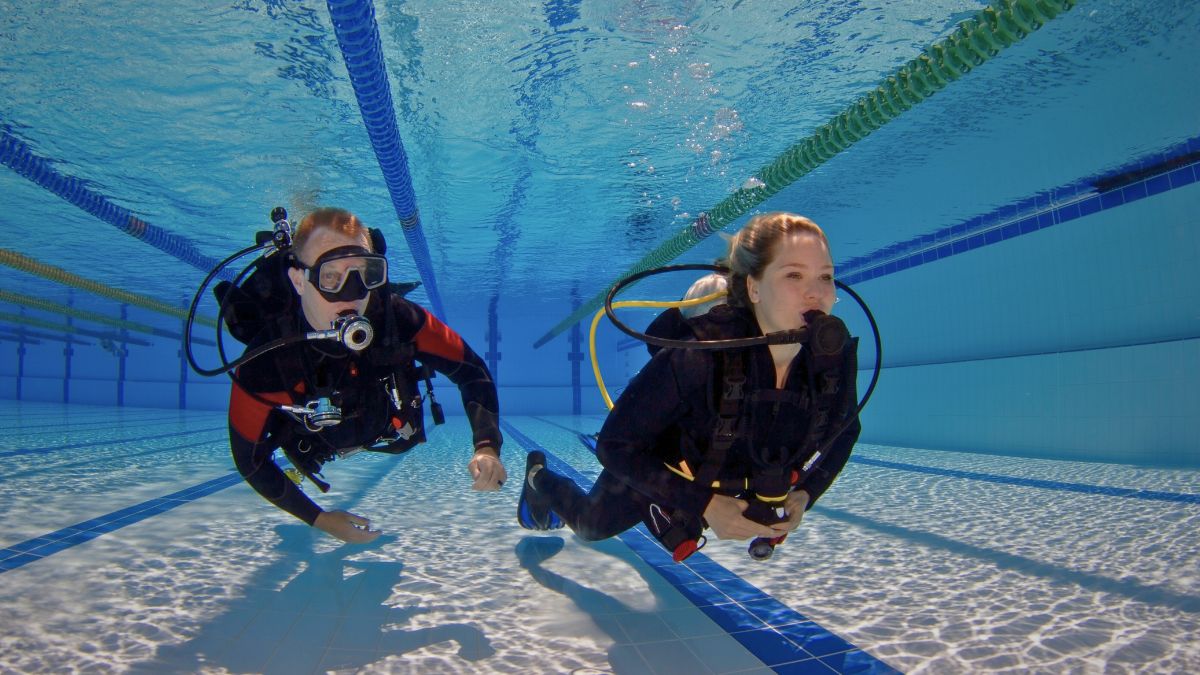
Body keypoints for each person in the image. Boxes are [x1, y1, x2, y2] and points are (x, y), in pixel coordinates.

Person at [518, 212, 860, 561]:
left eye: (826, 277)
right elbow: (615, 445)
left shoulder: (830, 359)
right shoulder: (705, 352)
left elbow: (846, 429)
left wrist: (806, 493)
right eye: (794, 275)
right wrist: (705, 504)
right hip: (665, 461)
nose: (817, 293)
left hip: (726, 469)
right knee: (592, 525)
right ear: (754, 287)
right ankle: (538, 479)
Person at [227, 207, 506, 543]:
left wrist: (487, 446)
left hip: (386, 425)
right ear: (299, 280)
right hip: (314, 442)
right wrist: (319, 519)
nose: (353, 293)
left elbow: (472, 371)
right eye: (331, 277)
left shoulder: (395, 319)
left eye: (364, 273)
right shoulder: (266, 361)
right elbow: (250, 461)